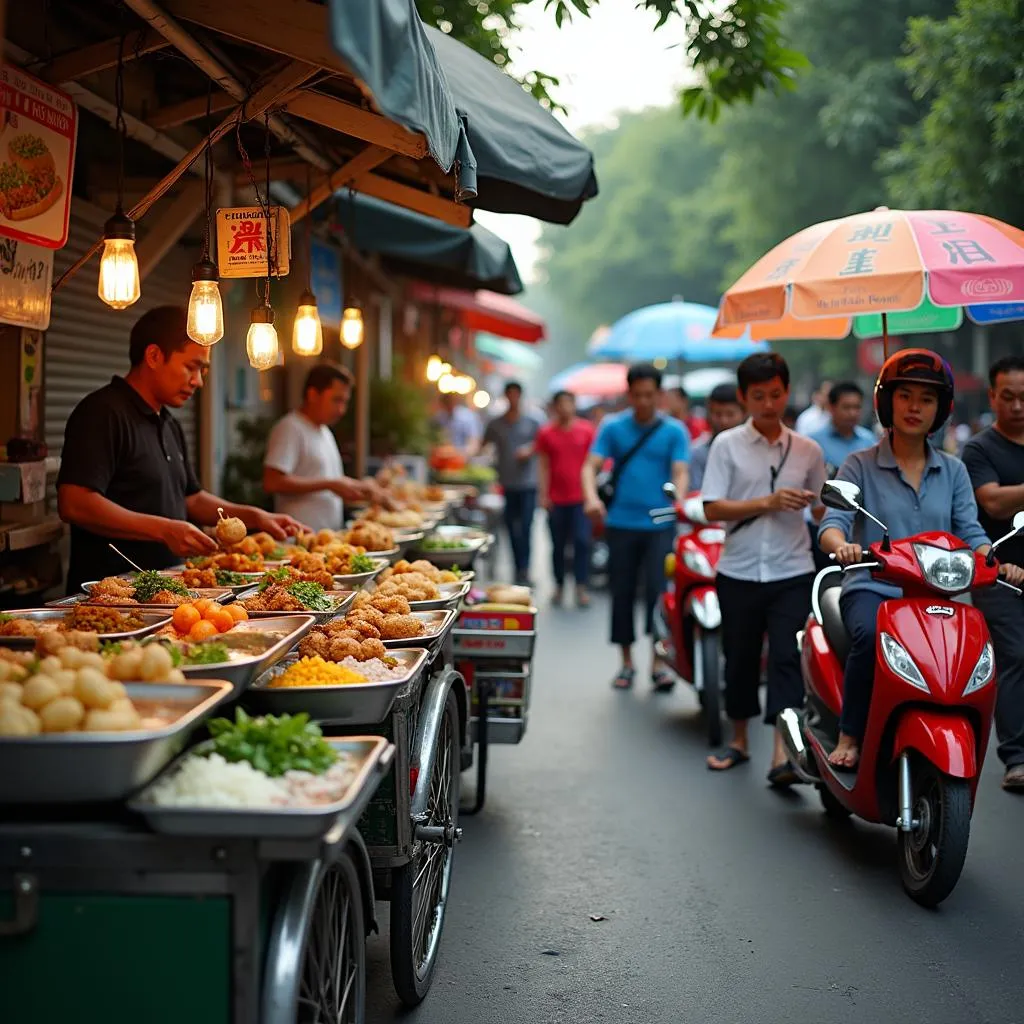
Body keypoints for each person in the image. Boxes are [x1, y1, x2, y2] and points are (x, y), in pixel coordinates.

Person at [819, 350, 1024, 770]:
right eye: (905, 396)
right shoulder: (858, 465)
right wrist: (842, 545)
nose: (915, 407)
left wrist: (994, 561)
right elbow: (833, 522)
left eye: (927, 400)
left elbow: (971, 530)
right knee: (867, 637)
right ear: (887, 402)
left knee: (966, 654)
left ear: (941, 409)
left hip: (938, 594)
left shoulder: (952, 471)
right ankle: (851, 732)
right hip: (873, 587)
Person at [56, 305, 303, 594]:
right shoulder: (102, 413)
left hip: (164, 595)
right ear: (153, 356)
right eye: (191, 367)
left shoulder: (168, 422)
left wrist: (255, 516)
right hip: (109, 598)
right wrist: (165, 529)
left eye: (203, 370)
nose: (198, 381)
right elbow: (74, 502)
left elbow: (191, 499)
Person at [701, 352, 826, 784]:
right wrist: (768, 502)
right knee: (739, 659)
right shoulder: (726, 444)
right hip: (738, 569)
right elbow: (712, 507)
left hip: (792, 569)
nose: (769, 405)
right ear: (743, 397)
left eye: (776, 395)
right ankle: (739, 740)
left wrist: (823, 506)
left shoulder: (808, 450)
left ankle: (781, 753)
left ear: (787, 393)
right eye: (759, 396)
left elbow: (821, 514)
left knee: (788, 660)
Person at [582, 363, 690, 689]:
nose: (643, 401)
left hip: (660, 525)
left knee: (659, 595)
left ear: (659, 395)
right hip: (621, 523)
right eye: (638, 395)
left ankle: (658, 663)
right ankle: (626, 663)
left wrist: (679, 501)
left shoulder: (674, 431)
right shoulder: (613, 428)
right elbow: (591, 467)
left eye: (650, 395)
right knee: (623, 593)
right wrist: (591, 498)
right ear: (628, 394)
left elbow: (680, 471)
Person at [962, 356, 1024, 791]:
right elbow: (994, 503)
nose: (1018, 405)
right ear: (992, 397)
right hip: (998, 570)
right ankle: (1016, 756)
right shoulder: (979, 449)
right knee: (1016, 655)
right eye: (1009, 397)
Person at [263, 362, 393, 532]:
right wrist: (331, 485)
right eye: (337, 400)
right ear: (313, 395)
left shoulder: (324, 431)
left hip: (327, 539)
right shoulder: (290, 428)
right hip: (297, 541)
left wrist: (362, 488)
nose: (342, 410)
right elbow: (272, 482)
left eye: (345, 402)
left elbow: (330, 482)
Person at [536, 390, 596, 607]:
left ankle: (581, 586)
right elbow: (543, 466)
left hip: (581, 499)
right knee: (558, 544)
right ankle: (559, 584)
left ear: (574, 405)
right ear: (555, 407)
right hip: (556, 499)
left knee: (582, 542)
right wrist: (543, 494)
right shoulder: (546, 433)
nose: (564, 408)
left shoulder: (586, 430)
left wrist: (593, 495)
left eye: (568, 403)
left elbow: (594, 464)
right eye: (560, 404)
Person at [807, 382, 875, 569]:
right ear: (831, 407)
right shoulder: (813, 443)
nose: (852, 413)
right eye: (846, 407)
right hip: (821, 523)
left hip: (859, 525)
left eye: (857, 407)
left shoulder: (869, 441)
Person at [484, 381, 544, 585]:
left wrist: (530, 450)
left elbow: (543, 443)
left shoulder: (533, 422)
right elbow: (484, 443)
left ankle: (524, 569)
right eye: (509, 394)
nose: (512, 398)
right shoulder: (496, 423)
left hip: (528, 483)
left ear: (520, 396)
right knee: (510, 527)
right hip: (507, 484)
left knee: (526, 527)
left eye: (515, 394)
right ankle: (516, 567)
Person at [688, 383, 745, 491]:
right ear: (709, 413)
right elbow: (696, 494)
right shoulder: (698, 453)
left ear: (743, 413)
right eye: (718, 414)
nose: (724, 421)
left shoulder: (755, 449)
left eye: (730, 414)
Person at [434, 392, 482, 457]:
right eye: (446, 404)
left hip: (463, 459)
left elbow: (474, 444)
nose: (448, 406)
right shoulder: (439, 417)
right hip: (442, 459)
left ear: (455, 402)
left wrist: (455, 452)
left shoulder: (467, 416)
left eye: (450, 402)